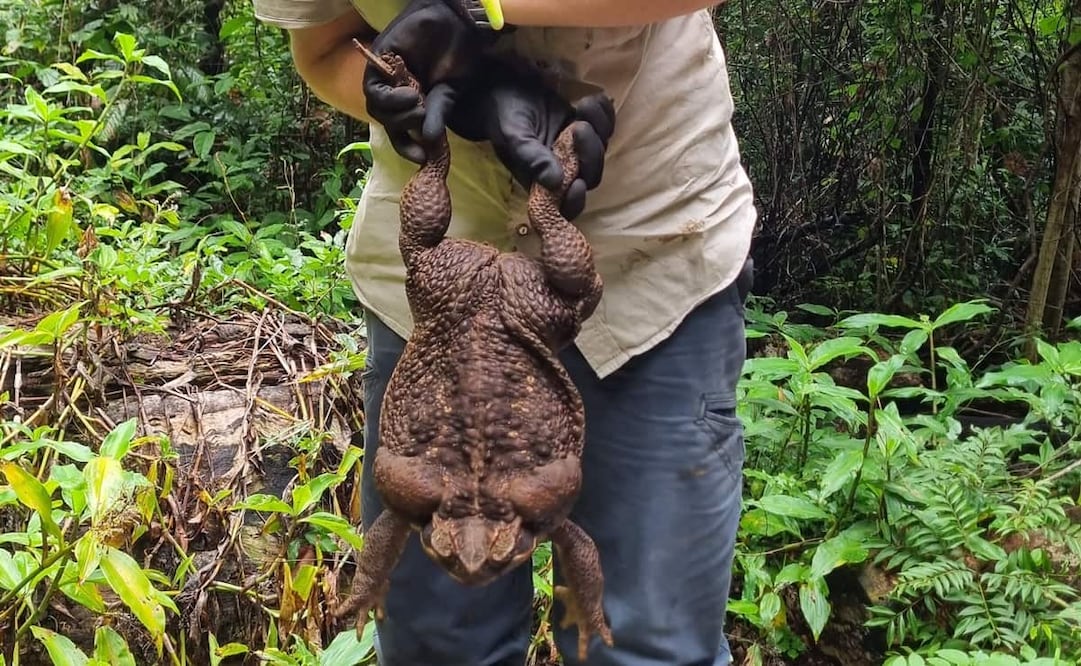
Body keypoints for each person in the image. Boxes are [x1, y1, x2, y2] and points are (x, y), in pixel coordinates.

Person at [252, 1, 757, 664]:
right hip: (437, 286)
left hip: (649, 255)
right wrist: (435, 102)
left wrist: (477, 9)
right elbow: (323, 51)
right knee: (438, 645)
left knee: (651, 644)